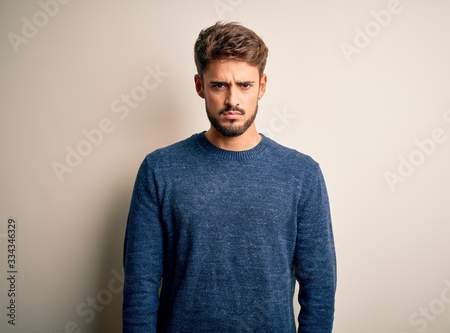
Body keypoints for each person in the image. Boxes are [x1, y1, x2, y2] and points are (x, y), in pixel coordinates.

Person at [122, 21, 337, 333]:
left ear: (262, 86)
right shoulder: (159, 170)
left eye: (245, 85)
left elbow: (319, 289)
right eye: (219, 85)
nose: (232, 100)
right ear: (200, 86)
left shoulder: (302, 174)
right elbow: (139, 287)